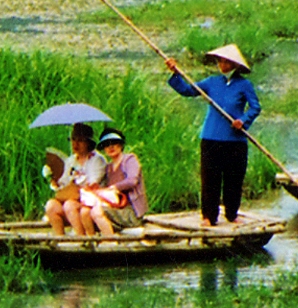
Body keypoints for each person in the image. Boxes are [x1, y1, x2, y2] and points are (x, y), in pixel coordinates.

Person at [166, 45, 259, 227]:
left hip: (235, 140)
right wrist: (175, 72)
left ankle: (232, 214)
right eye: (220, 61)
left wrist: (243, 120)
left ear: (234, 65)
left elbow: (255, 107)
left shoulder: (244, 85)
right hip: (211, 138)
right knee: (210, 178)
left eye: (226, 62)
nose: (222, 65)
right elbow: (187, 90)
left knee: (233, 178)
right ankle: (208, 216)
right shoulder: (211, 82)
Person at [44, 123, 107, 237]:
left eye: (80, 140)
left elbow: (91, 186)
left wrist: (73, 189)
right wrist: (56, 182)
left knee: (69, 205)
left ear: (88, 142)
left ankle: (80, 237)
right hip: (72, 197)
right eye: (73, 140)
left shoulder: (97, 160)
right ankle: (60, 238)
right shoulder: (71, 161)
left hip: (89, 201)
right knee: (51, 205)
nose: (75, 144)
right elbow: (64, 183)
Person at [85, 128, 147, 237]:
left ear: (121, 145)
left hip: (131, 211)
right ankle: (90, 241)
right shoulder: (108, 168)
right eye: (107, 145)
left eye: (114, 143)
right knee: (85, 211)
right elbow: (103, 189)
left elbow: (132, 180)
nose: (111, 147)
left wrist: (115, 187)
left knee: (97, 212)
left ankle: (110, 242)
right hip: (114, 208)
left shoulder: (129, 160)